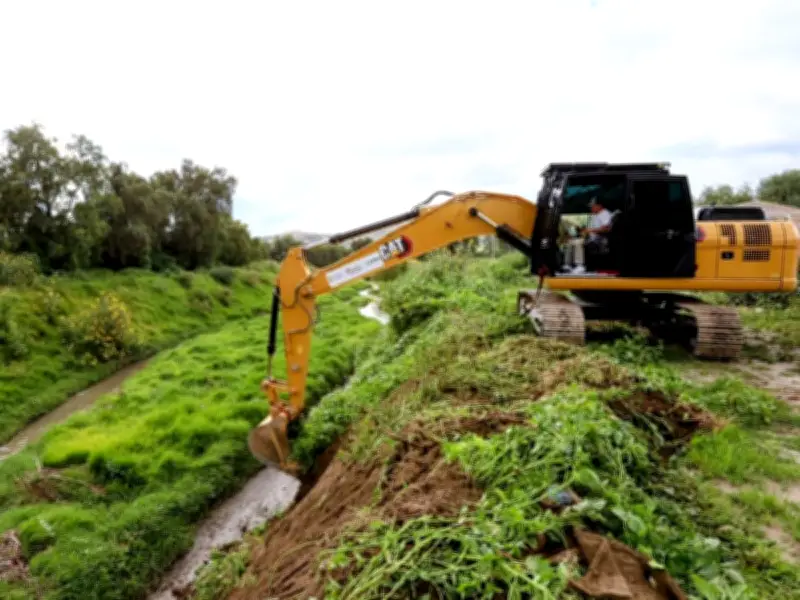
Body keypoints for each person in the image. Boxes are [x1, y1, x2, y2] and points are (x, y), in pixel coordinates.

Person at [564, 197, 613, 274]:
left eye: (593, 206)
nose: (591, 208)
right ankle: (567, 265)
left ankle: (580, 266)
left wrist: (589, 230)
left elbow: (606, 229)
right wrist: (582, 230)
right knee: (570, 241)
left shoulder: (605, 214)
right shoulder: (596, 215)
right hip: (592, 239)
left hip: (600, 241)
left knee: (578, 242)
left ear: (599, 206)